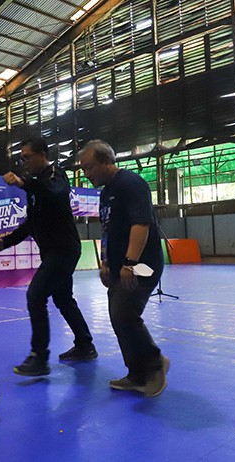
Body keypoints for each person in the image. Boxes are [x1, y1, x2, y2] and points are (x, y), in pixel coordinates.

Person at [0, 138, 96, 376]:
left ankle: (39, 358)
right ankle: (84, 345)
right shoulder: (36, 188)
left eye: (27, 157)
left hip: (64, 250)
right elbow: (31, 223)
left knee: (36, 295)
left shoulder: (56, 175)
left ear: (42, 155)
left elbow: (55, 192)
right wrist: (5, 242)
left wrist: (23, 182)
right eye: (22, 159)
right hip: (52, 252)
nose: (24, 163)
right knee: (63, 299)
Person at [78, 140, 169, 397]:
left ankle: (154, 365)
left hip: (142, 265)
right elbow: (107, 229)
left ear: (107, 161)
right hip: (119, 266)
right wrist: (106, 262)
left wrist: (130, 263)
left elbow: (141, 224)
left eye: (89, 167)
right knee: (117, 317)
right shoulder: (106, 192)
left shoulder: (131, 184)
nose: (87, 174)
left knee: (125, 314)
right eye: (84, 169)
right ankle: (136, 374)